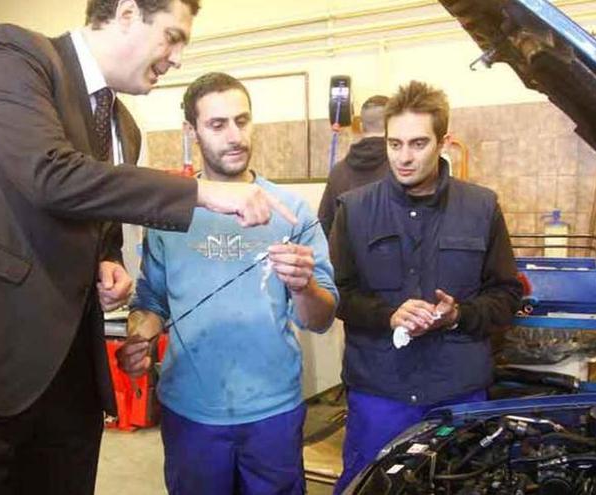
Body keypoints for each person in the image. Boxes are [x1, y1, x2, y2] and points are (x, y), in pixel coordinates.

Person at [0, 2, 298, 494]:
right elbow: (49, 174)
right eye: (172, 37)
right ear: (125, 13)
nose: (178, 57)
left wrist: (109, 258)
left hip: (70, 375)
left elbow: (98, 217)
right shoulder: (16, 54)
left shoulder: (124, 126)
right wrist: (203, 192)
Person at [115, 72, 338, 495]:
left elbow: (322, 319)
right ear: (192, 131)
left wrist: (304, 286)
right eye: (218, 125)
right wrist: (139, 338)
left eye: (242, 120)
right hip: (191, 411)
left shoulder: (291, 211)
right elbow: (151, 301)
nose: (235, 136)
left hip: (272, 410)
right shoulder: (169, 213)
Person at [329, 80, 522, 493]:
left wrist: (459, 316)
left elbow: (506, 294)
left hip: (458, 390)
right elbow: (337, 292)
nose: (403, 157)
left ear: (444, 142)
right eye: (394, 144)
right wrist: (387, 314)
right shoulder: (355, 209)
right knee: (370, 485)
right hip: (380, 391)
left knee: (463, 484)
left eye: (417, 144)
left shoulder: (482, 207)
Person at [318, 95, 390, 237]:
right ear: (393, 125)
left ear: (362, 127)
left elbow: (323, 227)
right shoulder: (404, 170)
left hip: (345, 257)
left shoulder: (338, 172)